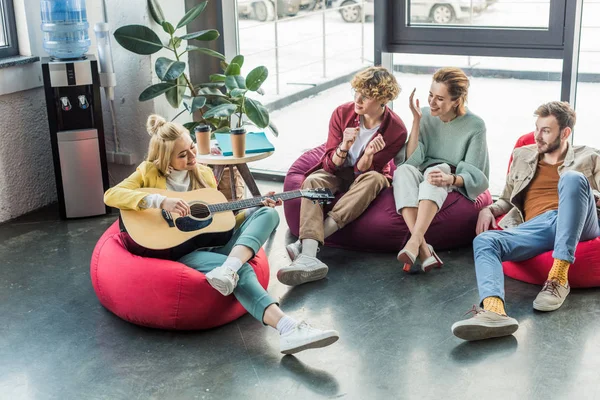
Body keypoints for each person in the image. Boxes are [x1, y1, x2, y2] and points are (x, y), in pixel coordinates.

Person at [104, 114, 339, 354]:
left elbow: (220, 221)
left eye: (192, 148)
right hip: (184, 251)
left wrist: (256, 206)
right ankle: (288, 328)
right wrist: (160, 201)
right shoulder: (148, 173)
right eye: (182, 155)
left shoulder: (203, 174)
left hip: (216, 243)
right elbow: (111, 195)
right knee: (244, 269)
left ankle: (228, 268)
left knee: (269, 215)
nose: (193, 157)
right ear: (165, 159)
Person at [452, 101, 600, 341]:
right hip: (537, 226)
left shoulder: (589, 156)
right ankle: (494, 312)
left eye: (546, 131)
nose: (537, 136)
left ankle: (558, 277)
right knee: (484, 241)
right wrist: (489, 209)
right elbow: (509, 199)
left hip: (580, 222)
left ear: (565, 133)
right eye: (537, 128)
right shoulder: (522, 155)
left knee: (572, 179)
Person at [278, 66, 408, 286]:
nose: (358, 99)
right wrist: (344, 146)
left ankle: (307, 248)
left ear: (382, 98)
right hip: (338, 171)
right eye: (356, 92)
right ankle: (309, 258)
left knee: (376, 179)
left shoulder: (396, 130)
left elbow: (367, 171)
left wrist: (367, 154)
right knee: (313, 180)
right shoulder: (342, 113)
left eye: (365, 96)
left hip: (368, 176)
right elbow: (329, 165)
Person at [393, 67, 489, 272]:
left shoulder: (475, 126)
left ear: (456, 101)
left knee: (434, 172)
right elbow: (410, 160)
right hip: (425, 169)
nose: (431, 102)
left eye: (439, 98)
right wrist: (417, 121)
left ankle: (415, 242)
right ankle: (423, 248)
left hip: (449, 175)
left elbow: (475, 174)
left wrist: (450, 179)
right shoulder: (426, 114)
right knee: (401, 172)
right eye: (430, 95)